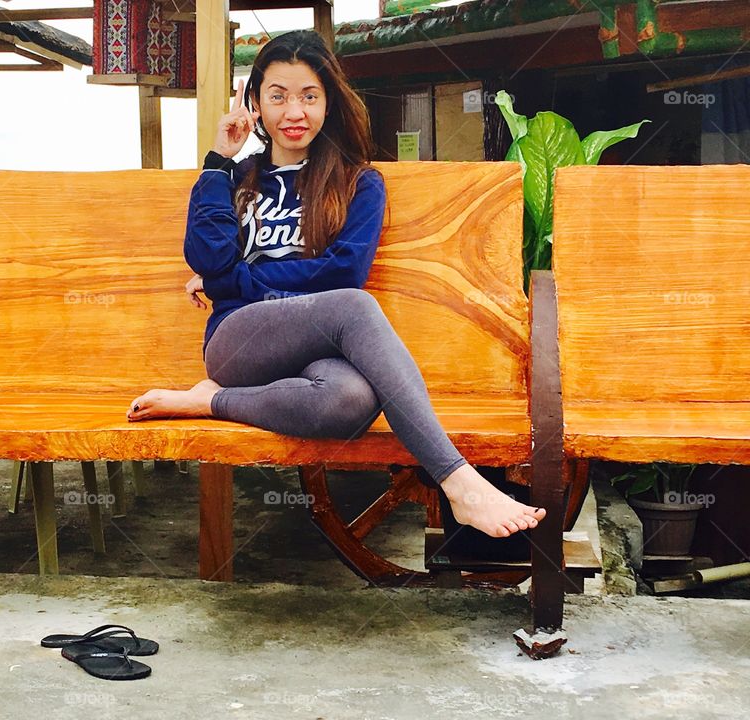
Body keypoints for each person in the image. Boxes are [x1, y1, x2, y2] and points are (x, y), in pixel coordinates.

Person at [127, 30, 545, 539]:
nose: (294, 111)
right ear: (255, 102)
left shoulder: (357, 182)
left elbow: (344, 270)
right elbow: (208, 257)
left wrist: (238, 278)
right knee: (350, 306)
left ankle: (208, 401)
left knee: (348, 398)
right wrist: (219, 158)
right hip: (239, 341)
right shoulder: (234, 178)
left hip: (318, 345)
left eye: (309, 96)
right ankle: (458, 483)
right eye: (277, 96)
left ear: (328, 102)